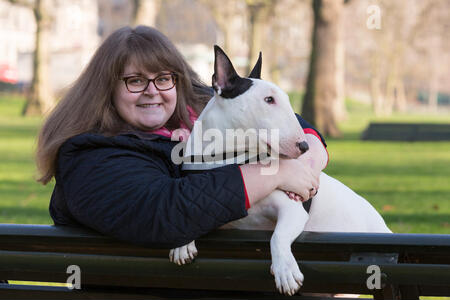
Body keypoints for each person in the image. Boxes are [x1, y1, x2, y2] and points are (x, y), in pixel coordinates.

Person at [35, 26, 328, 249]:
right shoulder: (90, 155)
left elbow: (276, 118)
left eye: (163, 78)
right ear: (106, 89)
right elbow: (166, 213)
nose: (153, 91)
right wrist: (276, 171)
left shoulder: (201, 108)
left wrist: (308, 163)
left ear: (178, 80)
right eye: (135, 81)